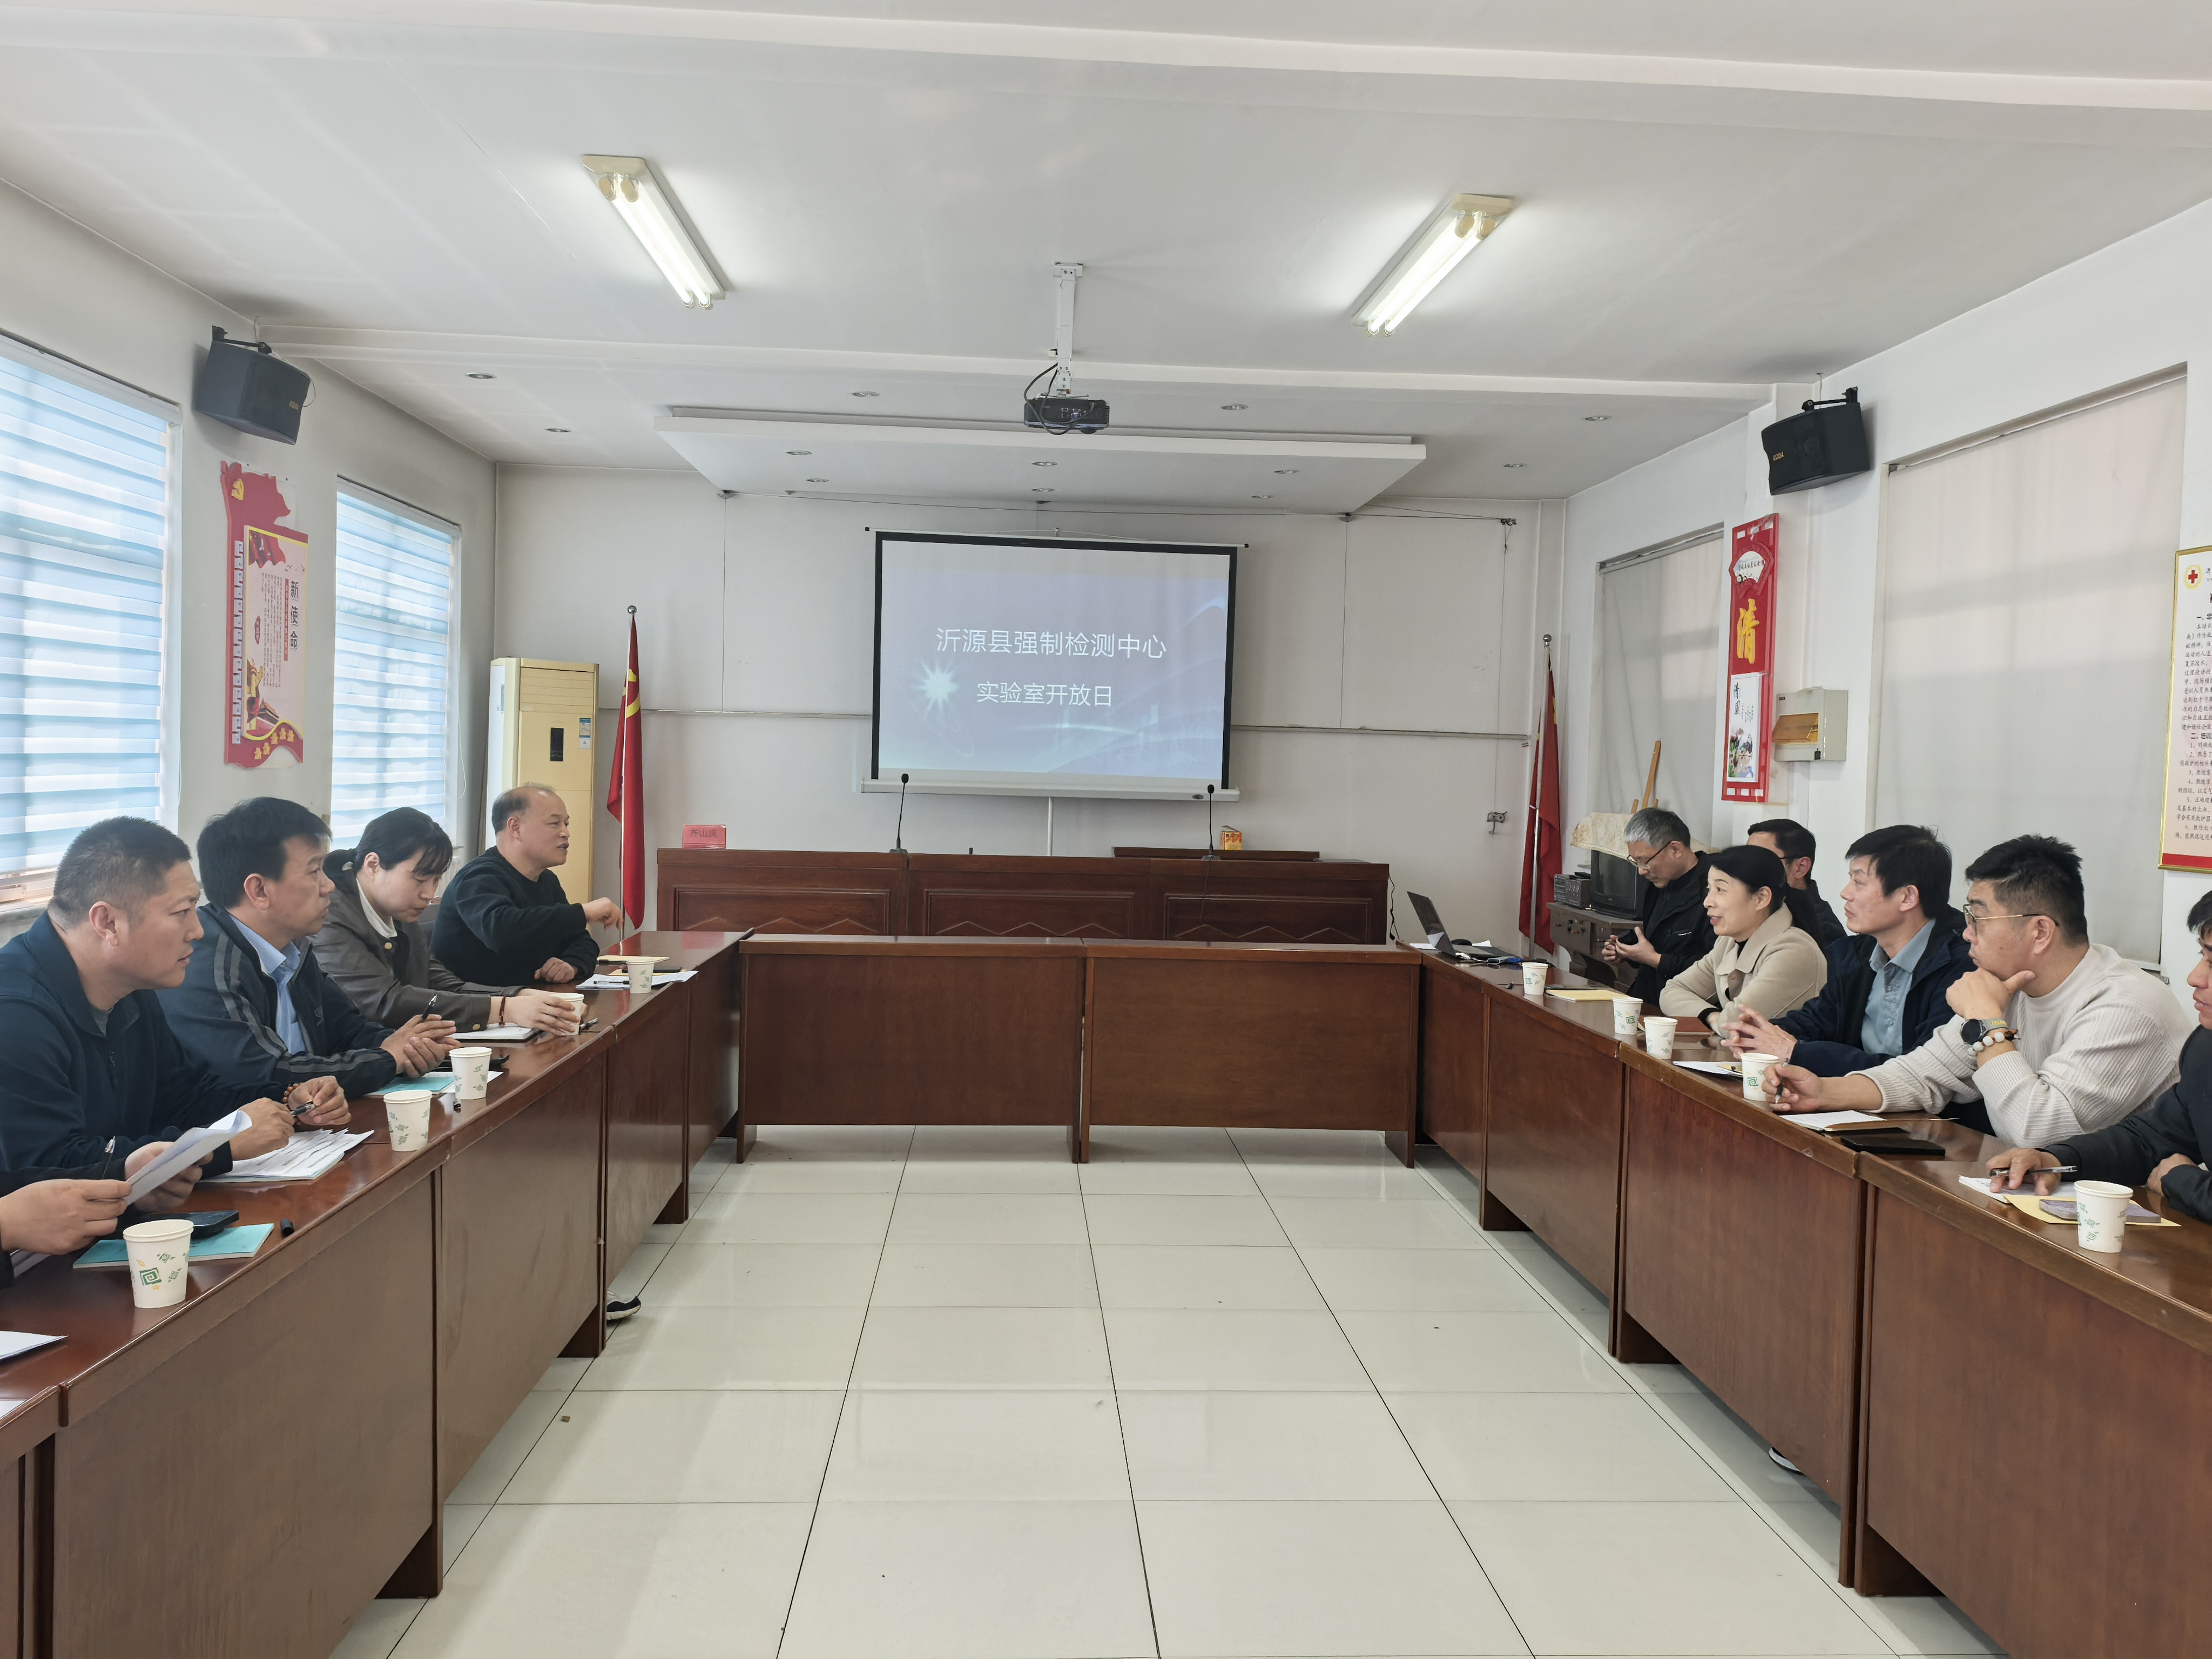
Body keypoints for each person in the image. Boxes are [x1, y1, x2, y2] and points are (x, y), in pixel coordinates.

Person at [1766, 835, 2193, 1144]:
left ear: (2040, 931)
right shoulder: (2009, 984)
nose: (1966, 933)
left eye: (1978, 919)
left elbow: (2035, 1131)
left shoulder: (2125, 1006)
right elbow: (1922, 1074)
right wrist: (1824, 1091)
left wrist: (1987, 1024)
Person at [0, 816, 309, 1175]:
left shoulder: (130, 986)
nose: (197, 930)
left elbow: (186, 1097)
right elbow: (49, 1169)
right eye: (182, 912)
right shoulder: (15, 1014)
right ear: (108, 923)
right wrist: (216, 1146)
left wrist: (288, 1100)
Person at [160, 798, 454, 1102]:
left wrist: (410, 1046)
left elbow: (348, 1031)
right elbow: (266, 1073)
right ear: (259, 890)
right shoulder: (204, 965)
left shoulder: (293, 947)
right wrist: (388, 1059)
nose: (329, 886)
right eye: (315, 872)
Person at [1986, 890, 2212, 1223]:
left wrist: (2181, 1180)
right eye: (2202, 956)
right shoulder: (2205, 1049)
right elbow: (2150, 1138)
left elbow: (2176, 1171)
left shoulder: (2128, 1002)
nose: (2195, 978)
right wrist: (2055, 1160)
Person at [1724, 825, 1972, 1076]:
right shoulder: (1853, 954)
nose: (1845, 893)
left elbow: (1922, 1073)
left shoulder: (1961, 967)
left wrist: (1797, 1052)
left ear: (1907, 897)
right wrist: (1761, 1034)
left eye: (1859, 882)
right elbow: (1818, 1020)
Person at [314, 808, 582, 1038]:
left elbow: (440, 982)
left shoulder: (398, 909)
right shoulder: (330, 917)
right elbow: (384, 1002)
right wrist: (503, 1009)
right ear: (373, 865)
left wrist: (518, 996)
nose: (428, 893)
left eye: (435, 880)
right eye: (420, 880)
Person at [433, 785, 621, 987]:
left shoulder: (547, 880)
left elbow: (581, 940)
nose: (566, 833)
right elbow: (502, 932)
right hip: (476, 1002)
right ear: (515, 827)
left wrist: (571, 964)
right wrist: (583, 913)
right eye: (554, 823)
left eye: (566, 824)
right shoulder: (478, 878)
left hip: (530, 998)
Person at [1658, 843, 1829, 1031]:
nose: (1707, 902)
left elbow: (1736, 1024)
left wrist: (1720, 1021)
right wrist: (1712, 1016)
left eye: (1720, 890)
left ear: (1761, 898)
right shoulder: (1728, 942)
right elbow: (1672, 991)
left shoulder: (1794, 951)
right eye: (1709, 890)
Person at [1600, 808, 1716, 1004]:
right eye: (1636, 862)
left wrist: (1654, 959)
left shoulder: (1713, 889)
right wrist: (1626, 948)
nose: (1641, 871)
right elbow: (1659, 937)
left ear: (1675, 849)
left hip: (1686, 1004)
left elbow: (1714, 967)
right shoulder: (1658, 883)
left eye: (1645, 861)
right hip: (1647, 994)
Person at [1746, 818, 1846, 947]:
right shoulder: (1751, 911)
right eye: (1746, 859)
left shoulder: (1822, 930)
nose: (1749, 868)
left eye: (1762, 860)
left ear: (1800, 867)